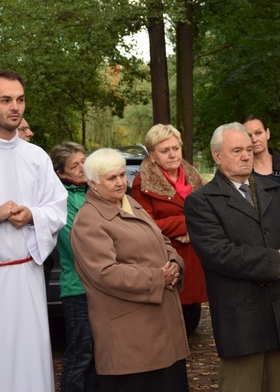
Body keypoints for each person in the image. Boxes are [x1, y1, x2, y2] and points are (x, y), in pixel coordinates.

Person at [184, 123, 280, 392]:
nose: (246, 156)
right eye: (237, 150)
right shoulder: (202, 201)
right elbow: (217, 253)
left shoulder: (274, 191)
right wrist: (274, 263)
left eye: (249, 150)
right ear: (217, 156)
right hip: (240, 317)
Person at [0, 70, 67, 392]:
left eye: (20, 99)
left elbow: (58, 208)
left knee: (30, 357)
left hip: (27, 276)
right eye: (6, 100)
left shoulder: (36, 156)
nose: (16, 107)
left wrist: (32, 215)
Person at [71, 148, 189, 392]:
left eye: (122, 175)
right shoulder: (89, 219)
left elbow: (161, 239)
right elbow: (105, 273)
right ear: (93, 183)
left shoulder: (130, 202)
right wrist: (158, 277)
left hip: (162, 325)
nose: (120, 182)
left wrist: (175, 263)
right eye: (111, 178)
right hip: (129, 336)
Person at [131, 124, 208, 337]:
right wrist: (188, 224)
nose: (172, 154)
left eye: (176, 148)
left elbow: (211, 215)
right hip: (168, 259)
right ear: (153, 156)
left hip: (196, 257)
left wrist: (191, 229)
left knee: (192, 317)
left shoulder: (194, 177)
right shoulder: (142, 183)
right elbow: (147, 224)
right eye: (165, 151)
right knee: (172, 325)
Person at [50, 141, 99, 392]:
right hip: (78, 288)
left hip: (105, 286)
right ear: (60, 173)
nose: (83, 168)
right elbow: (76, 244)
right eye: (75, 165)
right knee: (81, 354)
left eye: (84, 161)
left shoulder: (97, 190)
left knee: (100, 356)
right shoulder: (60, 198)